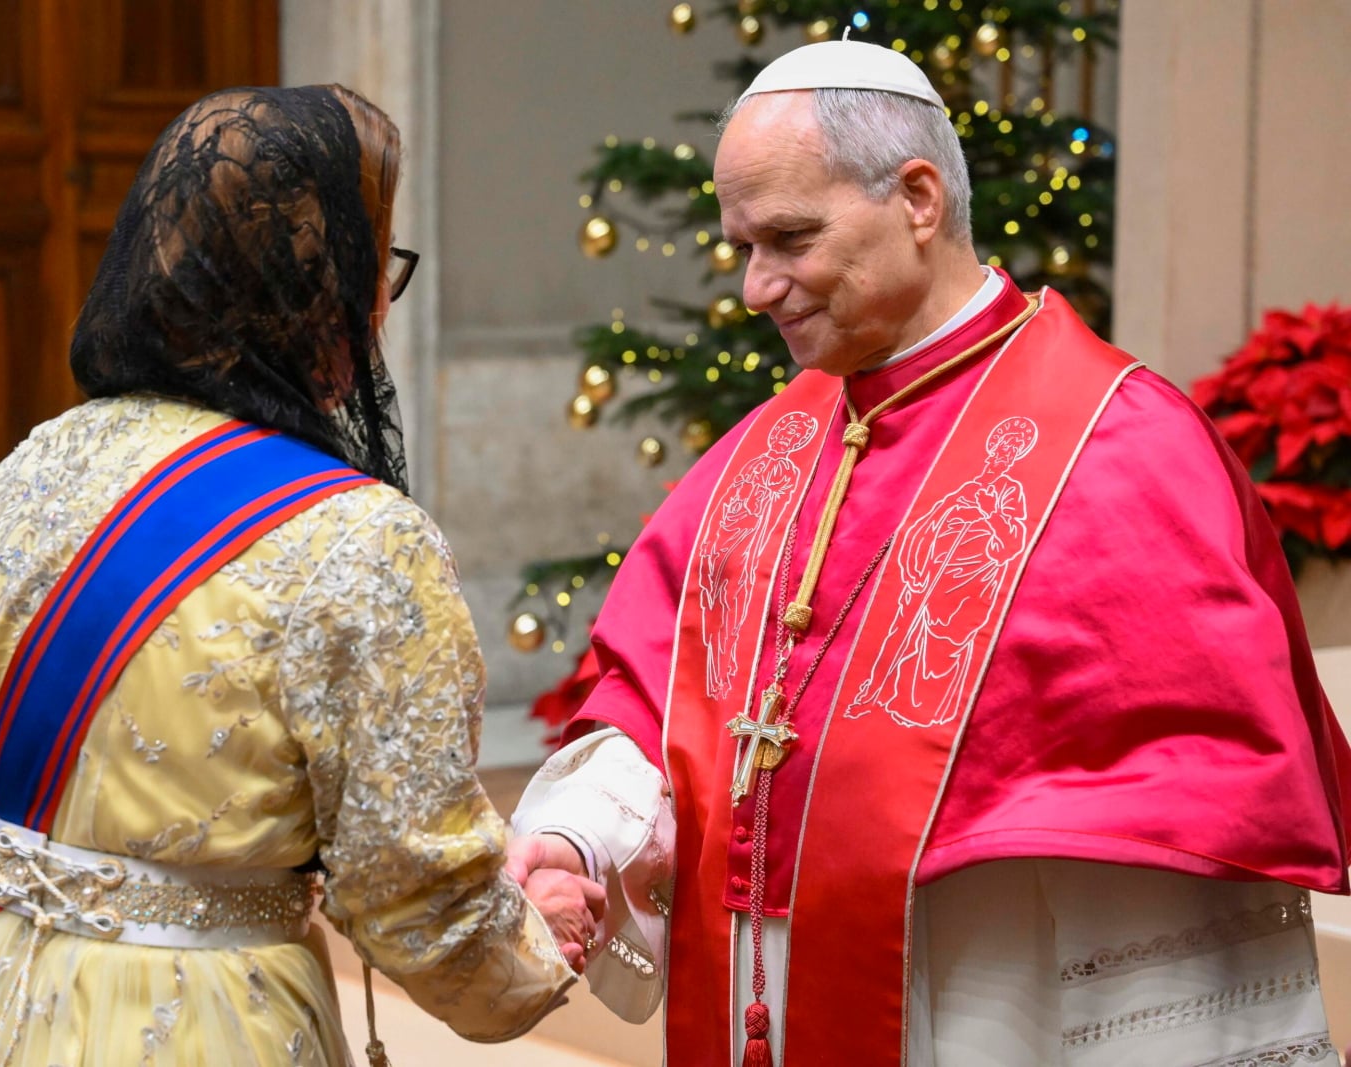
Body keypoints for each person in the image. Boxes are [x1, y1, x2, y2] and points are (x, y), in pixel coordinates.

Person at [509, 39, 1351, 1067]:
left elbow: (1168, 860)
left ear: (915, 198)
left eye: (788, 237)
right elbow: (665, 695)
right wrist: (579, 838)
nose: (755, 286)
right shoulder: (768, 448)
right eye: (738, 244)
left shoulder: (1119, 446)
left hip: (990, 1001)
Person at [0, 85, 603, 1067]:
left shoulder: (27, 470)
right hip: (211, 1020)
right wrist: (532, 933)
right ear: (321, 294)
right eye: (377, 269)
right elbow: (408, 891)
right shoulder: (362, 539)